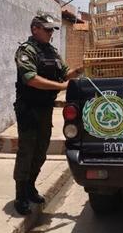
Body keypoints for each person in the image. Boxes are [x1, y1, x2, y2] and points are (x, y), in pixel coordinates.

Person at [13, 13, 82, 215]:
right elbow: (31, 78)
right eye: (47, 29)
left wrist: (79, 70)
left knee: (41, 151)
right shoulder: (26, 51)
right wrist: (61, 86)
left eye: (53, 30)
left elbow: (64, 72)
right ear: (35, 29)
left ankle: (31, 187)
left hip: (45, 109)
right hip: (29, 109)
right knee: (27, 151)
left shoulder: (51, 51)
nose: (51, 33)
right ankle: (20, 195)